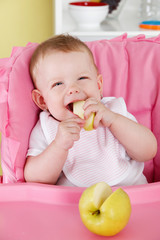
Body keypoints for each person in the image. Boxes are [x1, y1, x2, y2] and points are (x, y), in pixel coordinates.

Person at [24, 34, 157, 187]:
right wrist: (59, 146)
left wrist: (114, 121)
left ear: (99, 86)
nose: (73, 89)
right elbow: (34, 178)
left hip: (131, 194)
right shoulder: (47, 128)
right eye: (58, 84)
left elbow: (148, 151)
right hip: (74, 203)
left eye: (82, 78)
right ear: (42, 100)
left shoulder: (113, 112)